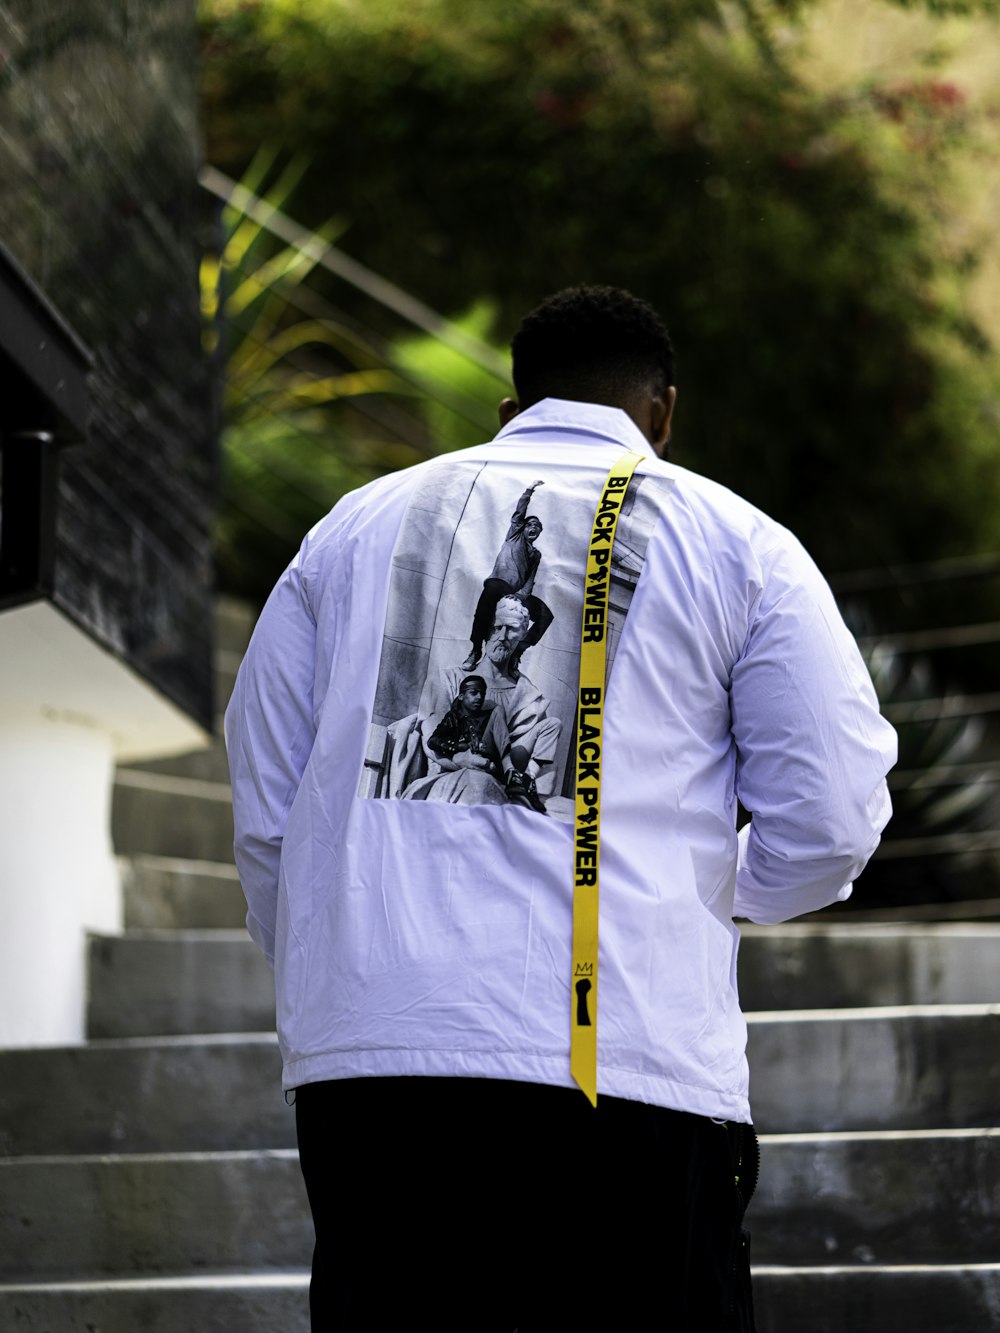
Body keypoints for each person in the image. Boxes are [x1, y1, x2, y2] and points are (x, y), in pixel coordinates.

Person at [225, 284, 897, 1331]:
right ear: (662, 412)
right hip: (620, 1058)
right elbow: (831, 812)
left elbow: (267, 794)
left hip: (375, 1064)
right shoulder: (736, 542)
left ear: (507, 408)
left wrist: (334, 954)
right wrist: (718, 894)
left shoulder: (350, 530)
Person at [462, 479, 554, 673]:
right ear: (522, 527)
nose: (533, 528)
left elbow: (531, 578)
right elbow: (519, 513)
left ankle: (517, 653)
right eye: (530, 525)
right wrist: (529, 491)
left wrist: (521, 596)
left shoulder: (536, 554)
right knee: (484, 610)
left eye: (537, 527)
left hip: (517, 593)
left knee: (546, 615)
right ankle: (475, 649)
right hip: (498, 584)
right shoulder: (514, 535)